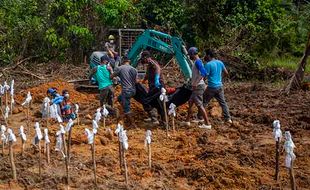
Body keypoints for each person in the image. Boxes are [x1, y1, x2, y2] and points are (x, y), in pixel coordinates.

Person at [180, 47, 211, 129]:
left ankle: (207, 124)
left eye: (190, 55)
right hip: (196, 87)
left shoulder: (198, 62)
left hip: (198, 87)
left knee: (199, 105)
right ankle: (187, 121)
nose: (189, 56)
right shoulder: (196, 62)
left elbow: (204, 73)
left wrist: (196, 83)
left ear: (193, 54)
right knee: (190, 103)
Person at [203, 49, 232, 123]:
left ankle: (199, 117)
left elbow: (205, 77)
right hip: (219, 86)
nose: (205, 56)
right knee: (223, 103)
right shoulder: (220, 62)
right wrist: (220, 79)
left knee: (204, 102)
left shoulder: (208, 64)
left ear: (209, 55)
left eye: (206, 54)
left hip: (211, 87)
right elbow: (226, 73)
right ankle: (228, 118)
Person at [111, 57, 138, 127]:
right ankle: (121, 113)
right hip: (133, 91)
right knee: (120, 98)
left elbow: (111, 76)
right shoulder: (134, 69)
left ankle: (132, 124)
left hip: (126, 91)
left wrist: (110, 70)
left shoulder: (120, 68)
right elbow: (136, 81)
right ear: (129, 61)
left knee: (127, 108)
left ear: (122, 61)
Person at [140, 50, 163, 124]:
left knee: (146, 100)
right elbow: (147, 75)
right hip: (152, 86)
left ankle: (155, 119)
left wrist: (157, 79)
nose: (143, 60)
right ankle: (155, 117)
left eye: (143, 58)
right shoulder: (149, 65)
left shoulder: (151, 61)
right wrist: (142, 81)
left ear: (146, 57)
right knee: (154, 102)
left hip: (157, 85)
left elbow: (158, 68)